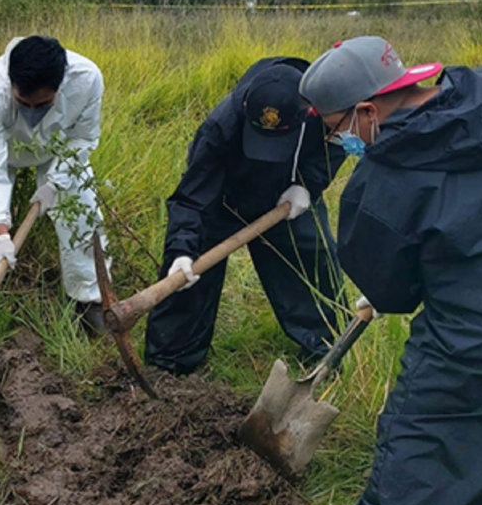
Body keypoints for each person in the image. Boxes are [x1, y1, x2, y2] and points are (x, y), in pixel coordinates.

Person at [300, 35, 482, 505]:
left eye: (335, 130)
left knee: (410, 490)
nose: (340, 143)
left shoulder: (377, 188)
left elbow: (392, 292)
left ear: (367, 112)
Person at [145, 57, 346, 376]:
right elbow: (192, 196)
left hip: (286, 194)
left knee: (311, 258)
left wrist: (307, 184)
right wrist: (181, 250)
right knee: (188, 274)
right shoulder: (220, 125)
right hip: (223, 198)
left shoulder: (323, 107)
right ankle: (169, 364)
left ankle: (327, 352)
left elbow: (335, 142)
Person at [0, 35, 109, 335]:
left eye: (42, 104)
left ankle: (89, 300)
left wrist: (55, 183)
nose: (32, 110)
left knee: (82, 210)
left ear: (60, 86)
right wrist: (2, 233)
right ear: (11, 85)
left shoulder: (87, 79)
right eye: (23, 103)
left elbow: (82, 139)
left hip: (56, 147)